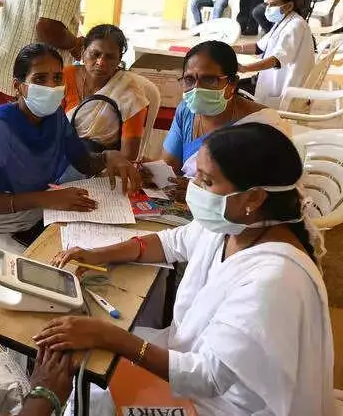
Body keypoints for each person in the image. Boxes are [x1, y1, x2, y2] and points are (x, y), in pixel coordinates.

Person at [42, 123, 334, 416]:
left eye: (206, 181)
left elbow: (209, 377)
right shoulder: (234, 225)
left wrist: (111, 337)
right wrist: (98, 254)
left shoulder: (274, 280)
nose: (193, 187)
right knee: (89, 376)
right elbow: (171, 242)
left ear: (253, 198)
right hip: (188, 356)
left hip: (225, 404)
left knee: (93, 390)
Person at [0, 43, 141, 302]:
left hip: (33, 210)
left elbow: (83, 161)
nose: (51, 86)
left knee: (81, 266)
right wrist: (47, 199)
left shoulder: (54, 117)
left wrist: (108, 156)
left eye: (57, 78)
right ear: (18, 86)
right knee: (38, 289)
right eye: (40, 79)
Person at [161, 40, 290, 180]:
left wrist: (194, 188)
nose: (197, 89)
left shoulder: (262, 125)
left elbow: (261, 187)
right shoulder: (185, 112)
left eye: (209, 80)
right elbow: (170, 171)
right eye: (189, 80)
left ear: (232, 83)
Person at [63, 24, 149, 160]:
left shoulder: (130, 92)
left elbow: (129, 156)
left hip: (106, 166)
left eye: (110, 57)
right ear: (83, 52)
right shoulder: (65, 77)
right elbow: (50, 130)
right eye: (95, 54)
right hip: (60, 159)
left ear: (119, 60)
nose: (101, 62)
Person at [234, 0, 315, 109]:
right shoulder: (283, 21)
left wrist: (245, 68)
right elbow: (259, 47)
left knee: (231, 91)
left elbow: (276, 60)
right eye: (267, 5)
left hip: (284, 88)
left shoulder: (296, 25)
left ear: (289, 6)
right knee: (235, 86)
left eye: (273, 5)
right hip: (271, 80)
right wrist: (232, 48)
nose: (268, 9)